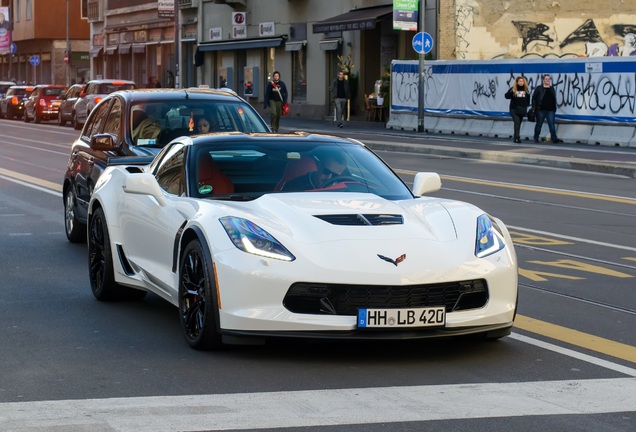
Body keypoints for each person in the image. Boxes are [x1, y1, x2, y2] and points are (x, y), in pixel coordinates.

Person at [281, 150, 348, 191]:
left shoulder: (345, 188)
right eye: (326, 171)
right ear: (318, 165)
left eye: (335, 175)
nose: (329, 178)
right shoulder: (293, 186)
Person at [532, 74, 562, 143]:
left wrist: (554, 108)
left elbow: (553, 98)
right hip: (540, 110)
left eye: (549, 79)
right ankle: (536, 137)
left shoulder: (552, 88)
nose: (547, 80)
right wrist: (534, 107)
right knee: (539, 124)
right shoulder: (539, 88)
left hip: (550, 110)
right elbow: (534, 98)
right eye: (546, 79)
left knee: (551, 124)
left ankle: (554, 138)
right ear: (543, 80)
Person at [504, 76, 530, 143]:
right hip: (514, 109)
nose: (521, 83)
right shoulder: (513, 89)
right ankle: (517, 137)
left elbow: (528, 100)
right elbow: (506, 96)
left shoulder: (526, 90)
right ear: (517, 82)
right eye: (520, 81)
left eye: (522, 81)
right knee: (517, 122)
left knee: (519, 124)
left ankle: (516, 137)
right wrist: (511, 92)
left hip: (522, 109)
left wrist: (526, 107)